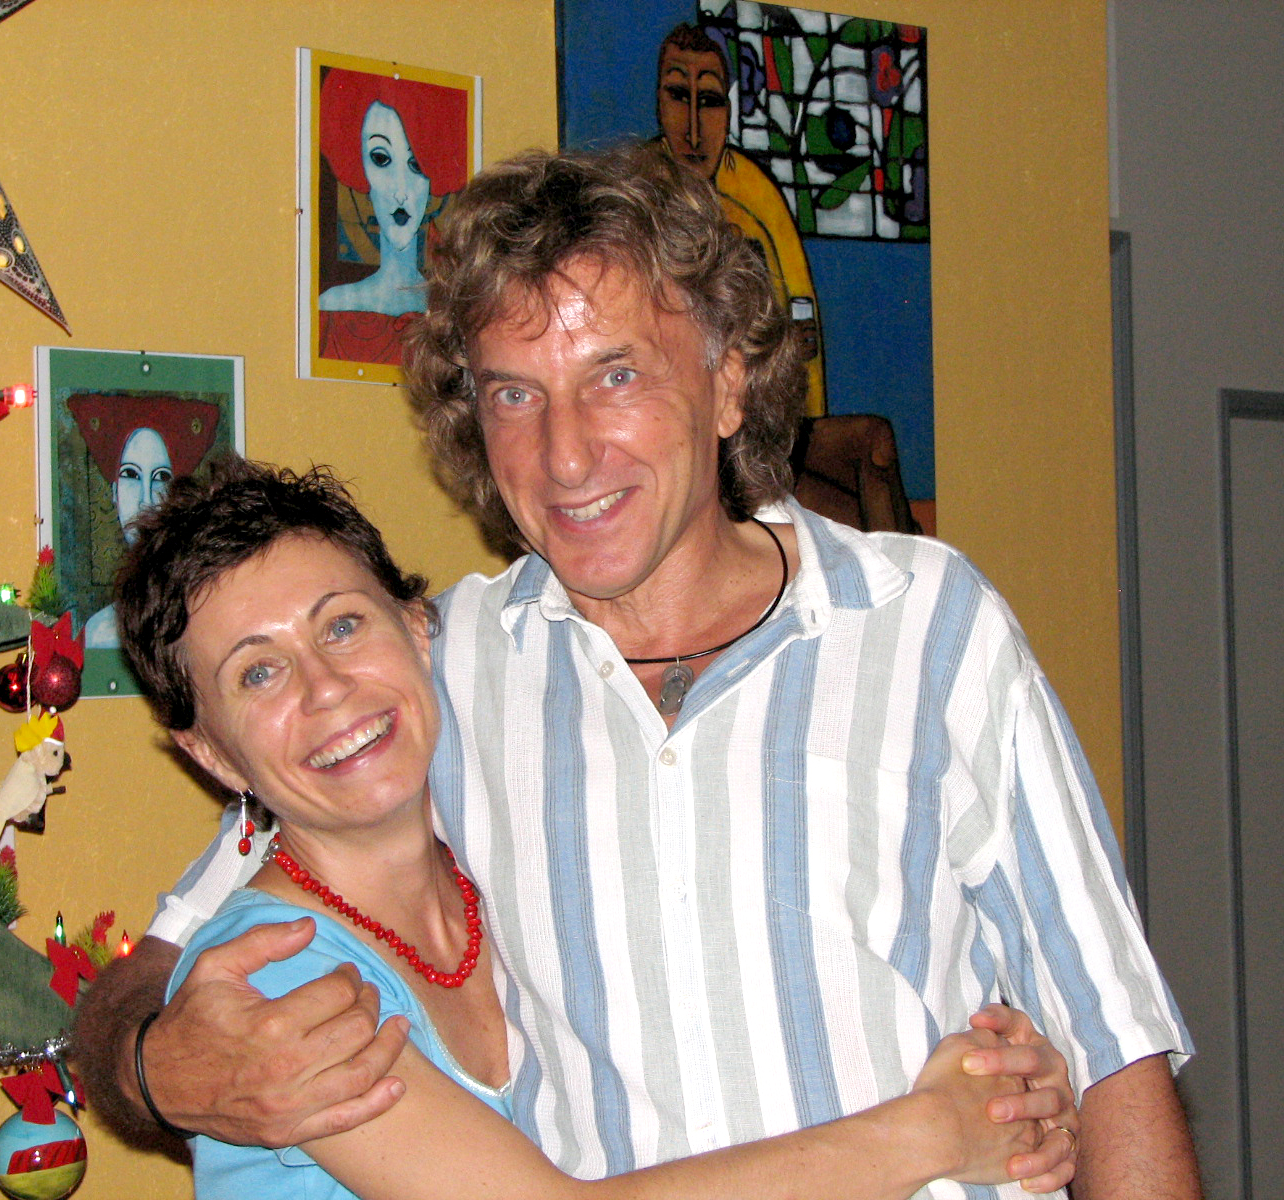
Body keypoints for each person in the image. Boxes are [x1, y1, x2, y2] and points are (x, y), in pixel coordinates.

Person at [76, 145, 1196, 1198]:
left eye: (614, 375)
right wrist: (160, 1068)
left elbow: (1113, 1045)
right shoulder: (432, 672)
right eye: (514, 394)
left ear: (727, 382)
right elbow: (165, 972)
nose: (565, 454)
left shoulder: (928, 625)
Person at [110, 454, 1075, 1198]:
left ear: (418, 627)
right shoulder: (276, 979)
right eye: (258, 673)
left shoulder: (501, 865)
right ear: (214, 753)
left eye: (342, 625)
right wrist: (934, 1130)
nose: (325, 687)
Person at [656, 23, 829, 418]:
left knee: (871, 440)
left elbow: (798, 309)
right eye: (679, 96)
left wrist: (790, 347)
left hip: (759, 413)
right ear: (659, 104)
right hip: (678, 413)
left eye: (710, 101)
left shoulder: (755, 196)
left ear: (729, 112)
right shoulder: (638, 194)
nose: (694, 131)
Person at [315, 70, 466, 366]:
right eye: (381, 159)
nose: (400, 190)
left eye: (416, 164)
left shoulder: (458, 314)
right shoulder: (331, 306)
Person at [65, 392, 220, 649]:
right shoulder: (97, 632)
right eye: (131, 474)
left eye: (160, 478)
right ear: (114, 492)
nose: (145, 500)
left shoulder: (208, 620)